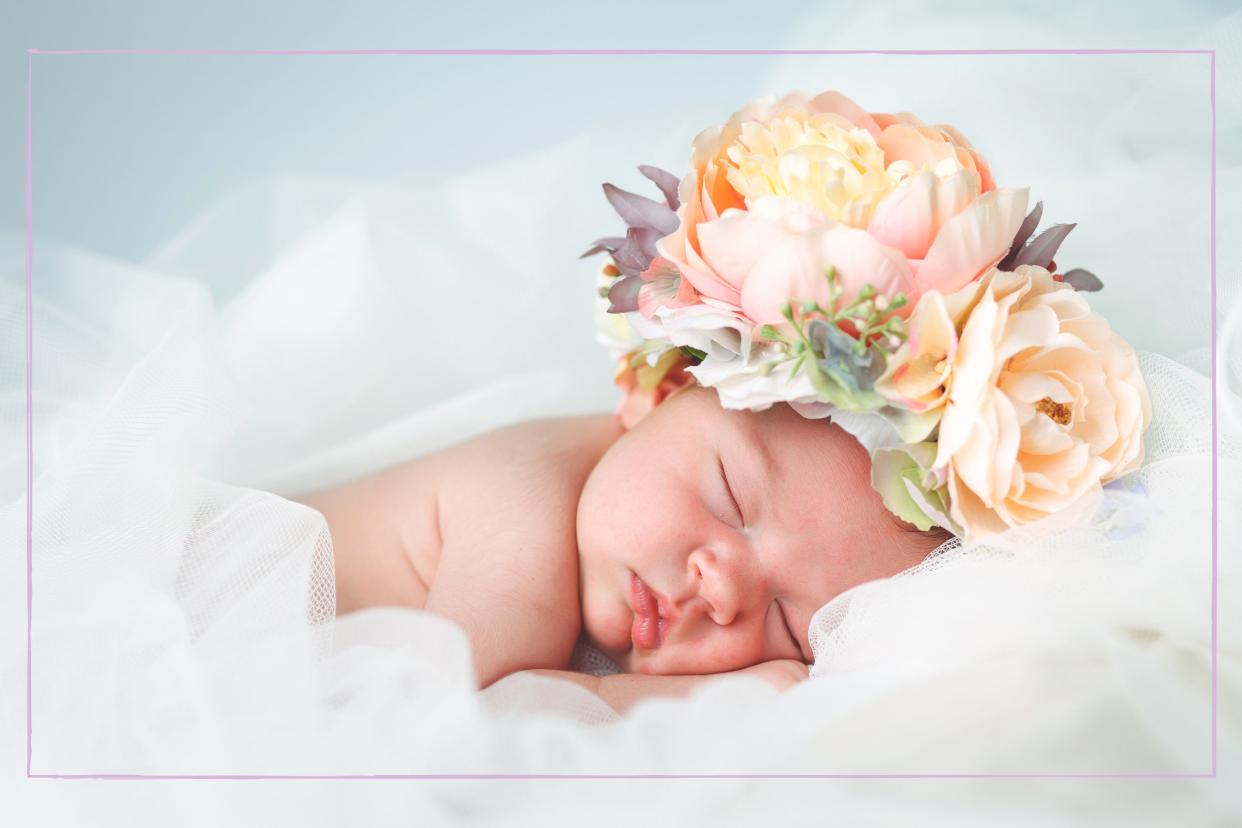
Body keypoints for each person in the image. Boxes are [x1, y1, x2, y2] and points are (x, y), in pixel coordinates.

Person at [294, 383, 949, 714]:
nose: (720, 589)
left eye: (786, 623)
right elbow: (459, 720)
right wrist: (738, 692)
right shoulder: (525, 509)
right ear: (663, 392)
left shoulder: (610, 513)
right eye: (729, 500)